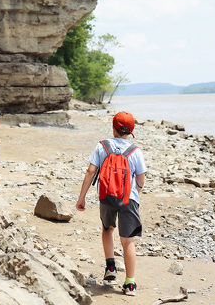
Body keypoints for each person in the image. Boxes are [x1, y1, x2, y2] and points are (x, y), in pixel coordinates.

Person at [76, 111, 147, 296]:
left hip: (106, 196)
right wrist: (135, 193)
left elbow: (91, 171)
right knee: (127, 240)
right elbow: (141, 178)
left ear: (114, 128)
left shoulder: (102, 146)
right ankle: (130, 284)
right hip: (128, 199)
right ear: (131, 131)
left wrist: (81, 197)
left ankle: (110, 268)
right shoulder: (135, 151)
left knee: (107, 229)